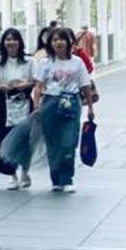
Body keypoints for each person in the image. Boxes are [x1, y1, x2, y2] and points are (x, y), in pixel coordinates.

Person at [33, 26, 95, 192]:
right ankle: (56, 179)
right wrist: (36, 105)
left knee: (68, 141)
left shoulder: (77, 62)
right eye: (54, 40)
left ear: (69, 42)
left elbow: (86, 85)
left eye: (62, 39)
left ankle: (67, 178)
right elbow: (38, 86)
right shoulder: (45, 63)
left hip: (71, 103)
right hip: (50, 103)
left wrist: (90, 107)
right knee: (52, 143)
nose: (58, 42)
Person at [0, 28, 37, 190]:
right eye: (7, 39)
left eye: (14, 39)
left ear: (20, 42)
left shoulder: (29, 62)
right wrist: (2, 87)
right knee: (4, 139)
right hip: (3, 104)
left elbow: (35, 81)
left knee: (24, 140)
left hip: (24, 102)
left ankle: (24, 172)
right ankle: (12, 175)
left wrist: (22, 86)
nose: (11, 42)